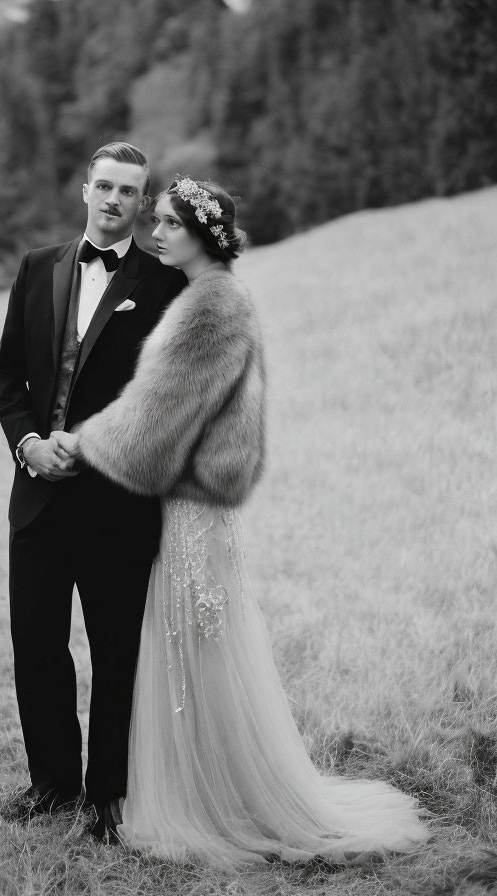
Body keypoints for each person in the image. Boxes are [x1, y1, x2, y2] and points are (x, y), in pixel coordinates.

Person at [58, 178, 430, 867]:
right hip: (191, 502)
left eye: (169, 223)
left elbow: (158, 412)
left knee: (192, 648)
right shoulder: (207, 296)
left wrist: (80, 442)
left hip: (191, 507)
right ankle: (196, 783)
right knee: (191, 649)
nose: (156, 232)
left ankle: (210, 798)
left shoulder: (213, 305)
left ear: (202, 234)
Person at [0, 143, 186, 841]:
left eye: (128, 192)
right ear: (84, 190)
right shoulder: (38, 267)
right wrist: (28, 445)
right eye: (104, 186)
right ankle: (53, 785)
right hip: (37, 498)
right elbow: (6, 373)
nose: (112, 200)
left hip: (115, 506)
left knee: (116, 652)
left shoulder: (164, 285)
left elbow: (165, 401)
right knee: (36, 643)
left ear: (141, 202)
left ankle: (109, 798)